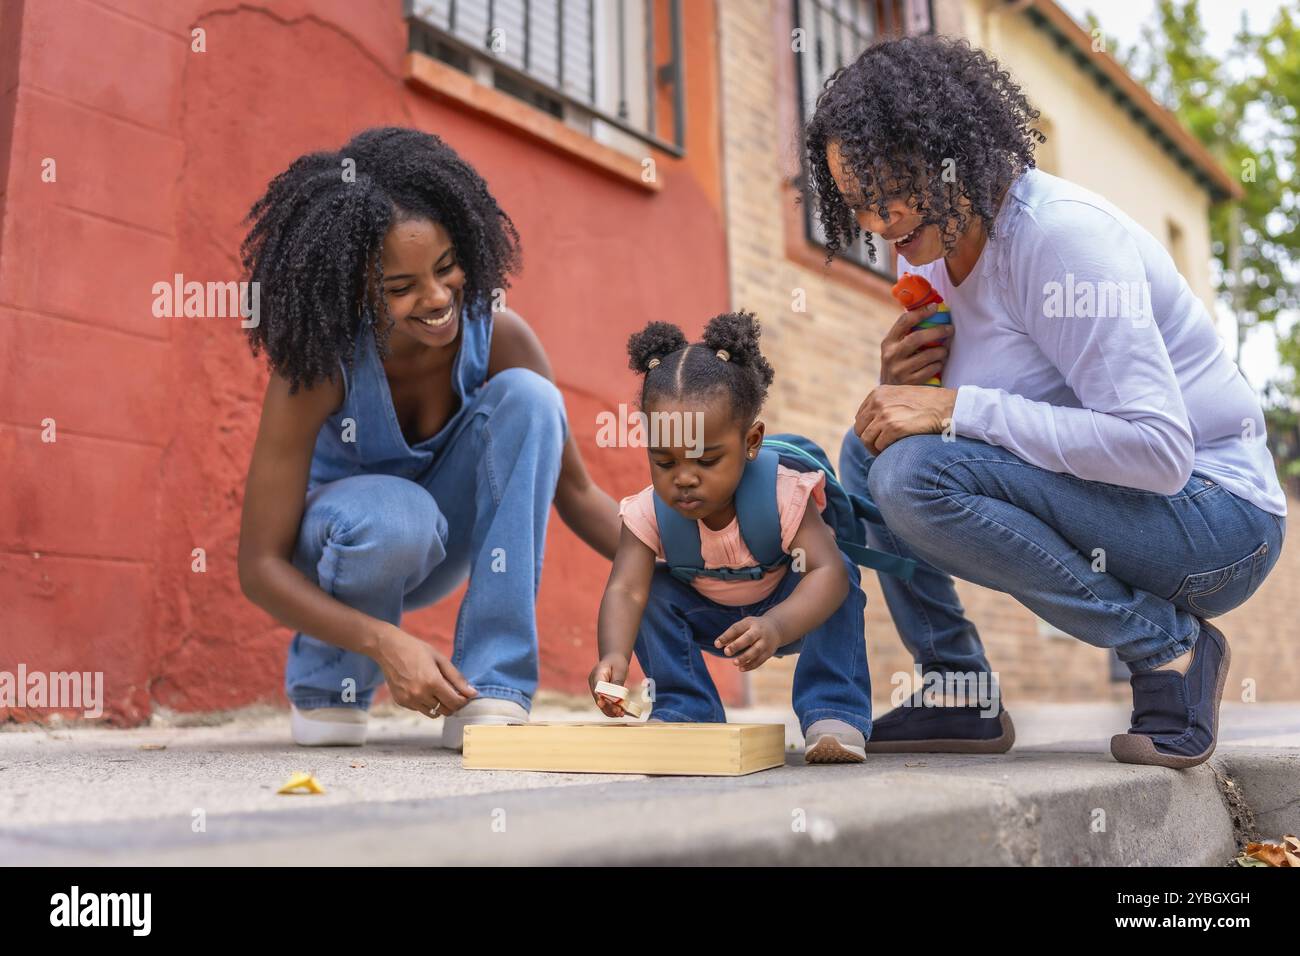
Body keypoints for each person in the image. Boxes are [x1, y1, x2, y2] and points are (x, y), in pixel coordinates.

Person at [803, 35, 1286, 768]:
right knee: (869, 452)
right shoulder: (931, 248)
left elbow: (1159, 450)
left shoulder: (1057, 240)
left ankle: (1171, 649)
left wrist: (955, 409)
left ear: (946, 152)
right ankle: (958, 691)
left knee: (911, 475)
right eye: (857, 203)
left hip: (1221, 522)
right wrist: (913, 384)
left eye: (886, 191)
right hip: (1141, 508)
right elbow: (985, 403)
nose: (876, 221)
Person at [236, 127, 619, 748]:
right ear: (353, 288)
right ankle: (332, 686)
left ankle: (491, 691)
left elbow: (576, 492)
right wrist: (382, 642)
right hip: (351, 545)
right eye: (400, 287)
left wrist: (676, 566)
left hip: (450, 542)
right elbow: (260, 567)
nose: (437, 297)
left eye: (446, 268)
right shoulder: (318, 369)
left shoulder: (498, 337)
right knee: (396, 515)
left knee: (530, 397)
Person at [589, 312, 874, 762]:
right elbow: (625, 589)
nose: (684, 479)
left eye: (706, 461)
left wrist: (777, 625)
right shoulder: (647, 512)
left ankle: (833, 712)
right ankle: (688, 711)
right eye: (665, 462)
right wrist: (613, 655)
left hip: (790, 608)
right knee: (652, 591)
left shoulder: (781, 492)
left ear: (751, 441)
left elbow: (828, 572)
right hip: (711, 617)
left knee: (843, 576)